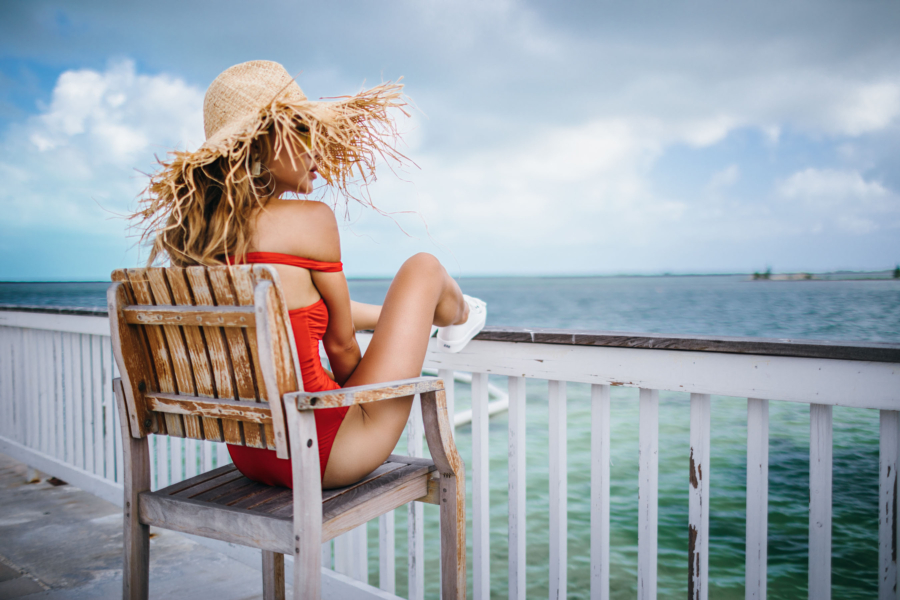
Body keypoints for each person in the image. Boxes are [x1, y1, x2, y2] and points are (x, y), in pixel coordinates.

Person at [132, 60, 486, 489]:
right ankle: (461, 316)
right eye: (304, 131)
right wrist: (360, 397)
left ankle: (428, 318)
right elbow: (339, 346)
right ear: (260, 144)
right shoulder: (310, 220)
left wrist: (396, 324)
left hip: (253, 454)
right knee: (423, 267)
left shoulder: (194, 240)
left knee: (401, 301)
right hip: (325, 450)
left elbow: (294, 313)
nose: (319, 147)